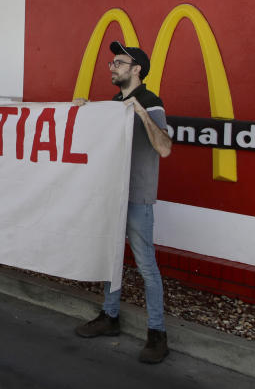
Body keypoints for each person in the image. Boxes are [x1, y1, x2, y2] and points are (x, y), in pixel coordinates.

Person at [73, 41, 172, 364]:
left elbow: (165, 148)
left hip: (138, 197)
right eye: (112, 62)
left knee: (146, 266)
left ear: (136, 69)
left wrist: (138, 110)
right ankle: (110, 316)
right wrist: (85, 112)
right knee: (112, 258)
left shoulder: (151, 102)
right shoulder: (115, 102)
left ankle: (157, 334)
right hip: (112, 195)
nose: (112, 67)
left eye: (119, 62)